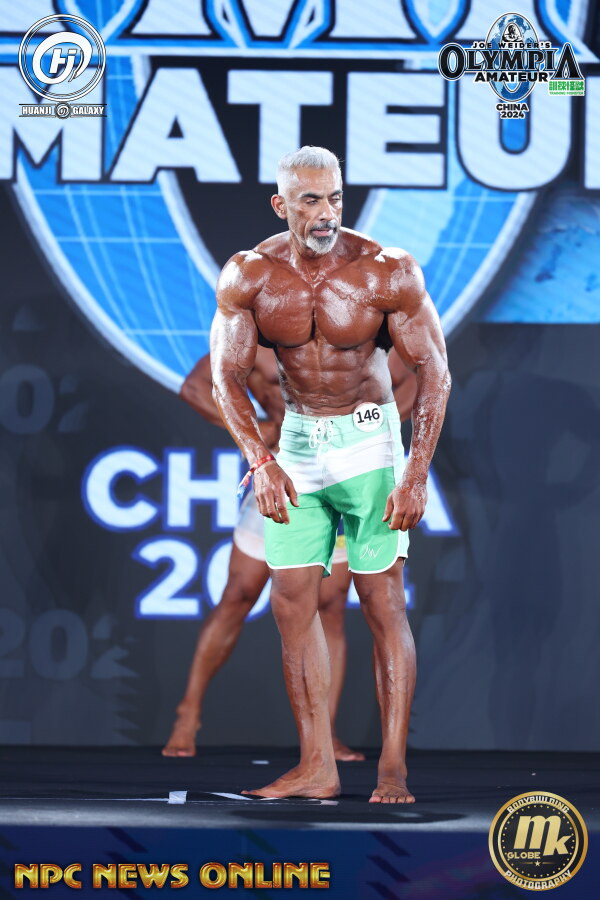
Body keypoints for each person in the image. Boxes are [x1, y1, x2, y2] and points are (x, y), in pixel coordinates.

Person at [210, 146, 450, 803]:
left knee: (380, 599)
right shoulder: (250, 276)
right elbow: (225, 375)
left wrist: (416, 472)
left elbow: (435, 371)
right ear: (280, 205)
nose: (327, 213)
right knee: (291, 600)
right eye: (311, 200)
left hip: (369, 439)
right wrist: (259, 460)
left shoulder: (385, 271)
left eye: (336, 198)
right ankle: (317, 766)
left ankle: (393, 767)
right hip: (296, 441)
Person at [162, 347, 417, 762]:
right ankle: (187, 713)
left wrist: (372, 429)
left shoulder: (354, 336)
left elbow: (413, 383)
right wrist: (259, 431)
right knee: (239, 594)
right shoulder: (256, 335)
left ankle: (326, 736)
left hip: (349, 472)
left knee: (330, 607)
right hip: (285, 468)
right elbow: (195, 387)